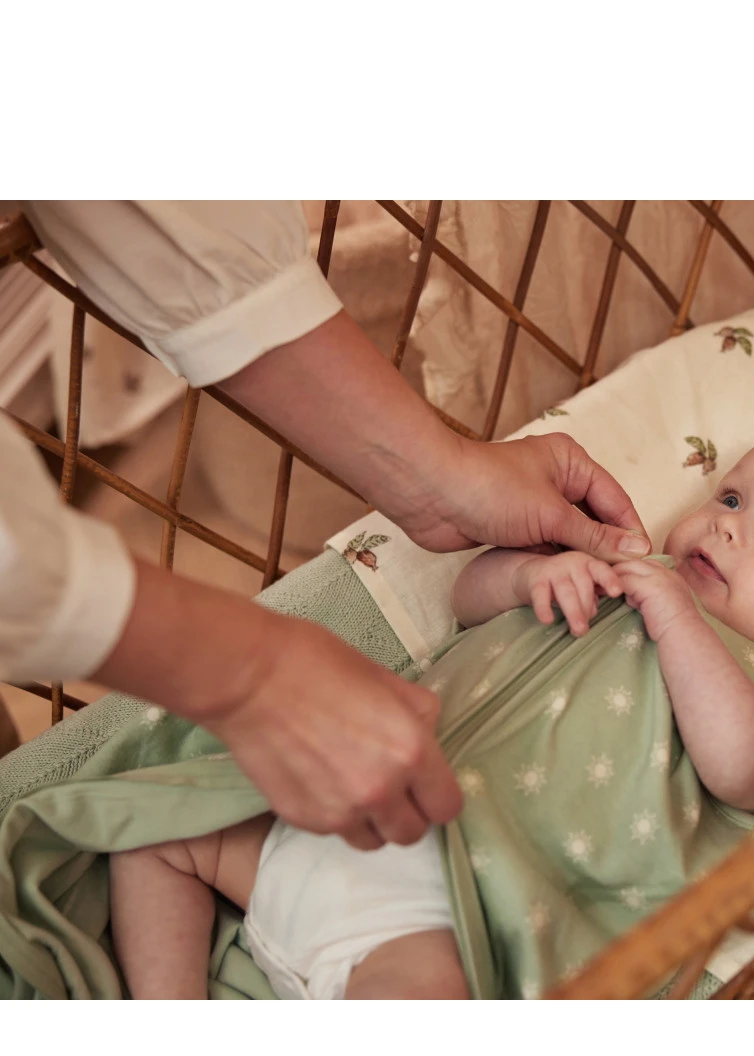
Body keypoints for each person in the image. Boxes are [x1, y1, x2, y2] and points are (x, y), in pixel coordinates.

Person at [108, 433, 754, 999]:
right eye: (732, 495)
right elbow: (467, 604)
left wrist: (679, 622)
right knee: (150, 825)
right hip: (347, 799)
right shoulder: (618, 570)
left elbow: (744, 774)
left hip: (442, 909)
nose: (728, 525)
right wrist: (524, 580)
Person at [0, 201, 650, 852]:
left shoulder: (702, 639)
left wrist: (443, 475)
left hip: (484, 836)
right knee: (163, 852)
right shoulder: (616, 592)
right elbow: (468, 596)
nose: (707, 527)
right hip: (385, 789)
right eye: (713, 504)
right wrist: (532, 575)